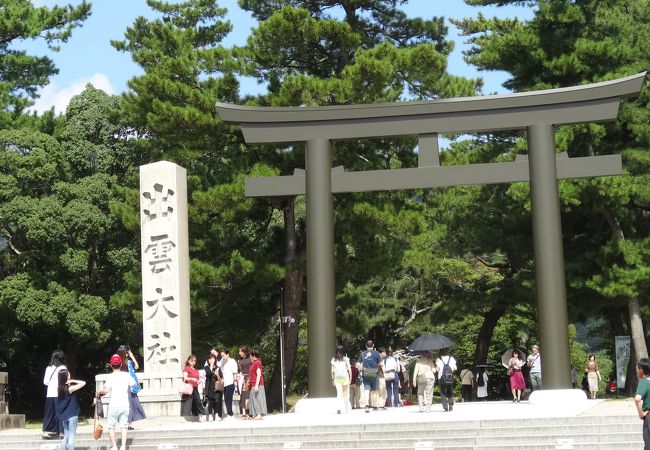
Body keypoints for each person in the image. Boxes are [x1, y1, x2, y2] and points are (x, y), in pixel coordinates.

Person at [96, 354, 136, 450]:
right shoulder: (126, 375)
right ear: (121, 364)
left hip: (113, 405)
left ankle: (114, 446)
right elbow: (134, 384)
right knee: (124, 426)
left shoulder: (110, 377)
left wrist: (99, 392)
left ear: (111, 365)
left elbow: (105, 391)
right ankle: (123, 446)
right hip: (124, 405)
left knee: (111, 426)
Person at [55, 369, 85, 450]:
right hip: (72, 414)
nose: (69, 374)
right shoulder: (70, 388)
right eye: (68, 374)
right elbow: (83, 383)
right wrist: (72, 380)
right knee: (71, 437)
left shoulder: (59, 388)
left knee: (66, 436)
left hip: (64, 416)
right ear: (65, 377)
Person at [117, 345, 145, 429]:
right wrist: (132, 356)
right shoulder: (126, 363)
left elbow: (136, 367)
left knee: (130, 404)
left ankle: (128, 424)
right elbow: (136, 366)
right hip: (127, 387)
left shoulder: (121, 363)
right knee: (130, 404)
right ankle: (127, 424)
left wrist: (131, 356)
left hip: (125, 387)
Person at [43, 350, 66, 440]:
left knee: (49, 413)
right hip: (60, 393)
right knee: (60, 412)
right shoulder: (63, 367)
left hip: (50, 393)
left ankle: (46, 432)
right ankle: (61, 432)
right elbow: (66, 381)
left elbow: (45, 382)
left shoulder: (48, 368)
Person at [358, 340, 382, 413]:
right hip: (375, 373)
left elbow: (358, 364)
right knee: (374, 391)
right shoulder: (377, 353)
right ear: (373, 345)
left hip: (366, 374)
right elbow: (381, 363)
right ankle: (375, 406)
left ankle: (367, 406)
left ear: (366, 346)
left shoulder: (363, 353)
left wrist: (361, 369)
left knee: (366, 390)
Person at [180, 354, 205, 421]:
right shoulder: (186, 368)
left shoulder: (195, 369)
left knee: (198, 402)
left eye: (194, 361)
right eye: (192, 361)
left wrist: (199, 381)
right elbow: (185, 378)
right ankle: (183, 418)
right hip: (188, 388)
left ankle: (200, 415)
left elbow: (198, 378)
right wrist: (192, 379)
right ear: (188, 361)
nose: (193, 362)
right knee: (186, 403)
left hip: (195, 387)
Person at [634, 357, 650, 449]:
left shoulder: (644, 382)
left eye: (636, 369)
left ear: (641, 371)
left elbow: (637, 398)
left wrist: (641, 413)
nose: (636, 371)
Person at [331, 345, 352, 414]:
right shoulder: (346, 359)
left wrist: (332, 379)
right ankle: (346, 408)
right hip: (345, 377)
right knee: (346, 394)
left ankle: (338, 409)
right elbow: (349, 369)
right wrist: (350, 378)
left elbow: (332, 370)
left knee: (339, 394)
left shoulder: (333, 359)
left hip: (337, 378)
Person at [248, 349, 267, 420]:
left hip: (257, 384)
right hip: (253, 384)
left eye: (250, 356)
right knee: (253, 399)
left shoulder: (258, 362)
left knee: (257, 399)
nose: (250, 357)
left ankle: (259, 414)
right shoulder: (254, 363)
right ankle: (255, 414)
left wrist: (256, 384)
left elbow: (259, 374)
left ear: (253, 356)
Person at [203, 353, 223, 421]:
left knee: (217, 401)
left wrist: (217, 375)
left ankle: (217, 415)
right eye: (210, 359)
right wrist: (211, 367)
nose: (212, 360)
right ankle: (210, 415)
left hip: (216, 386)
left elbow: (220, 378)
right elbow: (208, 374)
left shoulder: (218, 368)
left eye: (213, 359)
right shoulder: (206, 368)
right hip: (209, 386)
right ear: (208, 360)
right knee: (210, 401)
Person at [221, 349, 239, 419]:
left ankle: (231, 415)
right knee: (226, 399)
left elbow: (235, 372)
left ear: (227, 354)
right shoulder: (223, 362)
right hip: (225, 383)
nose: (222, 357)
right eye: (221, 356)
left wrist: (235, 382)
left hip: (230, 383)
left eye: (223, 355)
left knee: (229, 399)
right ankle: (229, 414)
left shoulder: (232, 361)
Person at [237, 346, 252, 419]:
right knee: (243, 396)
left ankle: (249, 412)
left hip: (249, 378)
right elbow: (240, 370)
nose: (239, 353)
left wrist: (249, 378)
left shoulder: (250, 359)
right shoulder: (239, 361)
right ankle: (244, 413)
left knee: (248, 395)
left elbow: (252, 369)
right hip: (243, 379)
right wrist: (239, 376)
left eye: (240, 351)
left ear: (244, 351)